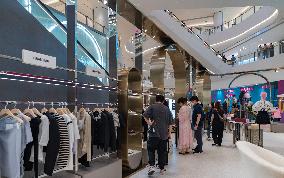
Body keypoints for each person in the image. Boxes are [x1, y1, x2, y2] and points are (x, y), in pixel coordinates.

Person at [143, 95, 173, 176]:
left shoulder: (152, 107)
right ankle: (162, 169)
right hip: (164, 134)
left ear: (156, 100)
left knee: (151, 150)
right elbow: (170, 123)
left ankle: (152, 166)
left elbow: (144, 115)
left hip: (153, 134)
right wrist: (169, 134)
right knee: (162, 152)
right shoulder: (167, 109)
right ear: (163, 101)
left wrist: (149, 123)